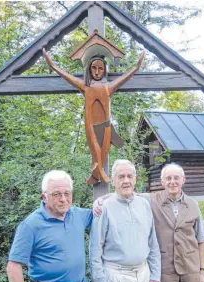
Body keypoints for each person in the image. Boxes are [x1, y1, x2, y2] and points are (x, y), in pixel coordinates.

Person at [94, 163, 204, 282]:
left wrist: (201, 271)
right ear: (162, 182)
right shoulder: (152, 199)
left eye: (176, 178)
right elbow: (127, 192)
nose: (172, 182)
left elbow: (201, 239)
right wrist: (101, 200)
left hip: (190, 268)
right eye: (168, 178)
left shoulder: (194, 205)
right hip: (166, 269)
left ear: (183, 180)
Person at [7, 170, 95, 282]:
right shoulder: (30, 225)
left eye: (67, 193)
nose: (63, 199)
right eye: (56, 194)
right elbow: (13, 267)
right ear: (44, 197)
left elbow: (104, 213)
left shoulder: (78, 215)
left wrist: (105, 199)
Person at [42, 47, 144, 184]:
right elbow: (67, 76)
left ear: (105, 70)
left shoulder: (108, 87)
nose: (96, 72)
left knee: (103, 153)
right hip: (91, 126)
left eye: (100, 69)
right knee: (96, 152)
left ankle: (97, 173)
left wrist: (137, 67)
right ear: (89, 69)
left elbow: (125, 77)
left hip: (106, 126)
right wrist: (52, 65)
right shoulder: (86, 87)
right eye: (94, 68)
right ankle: (98, 172)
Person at [90, 159, 161, 282]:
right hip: (116, 278)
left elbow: (153, 244)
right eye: (121, 176)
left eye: (130, 176)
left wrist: (156, 274)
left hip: (142, 275)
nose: (126, 180)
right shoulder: (104, 208)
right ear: (113, 181)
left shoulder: (144, 204)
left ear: (135, 179)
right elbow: (95, 252)